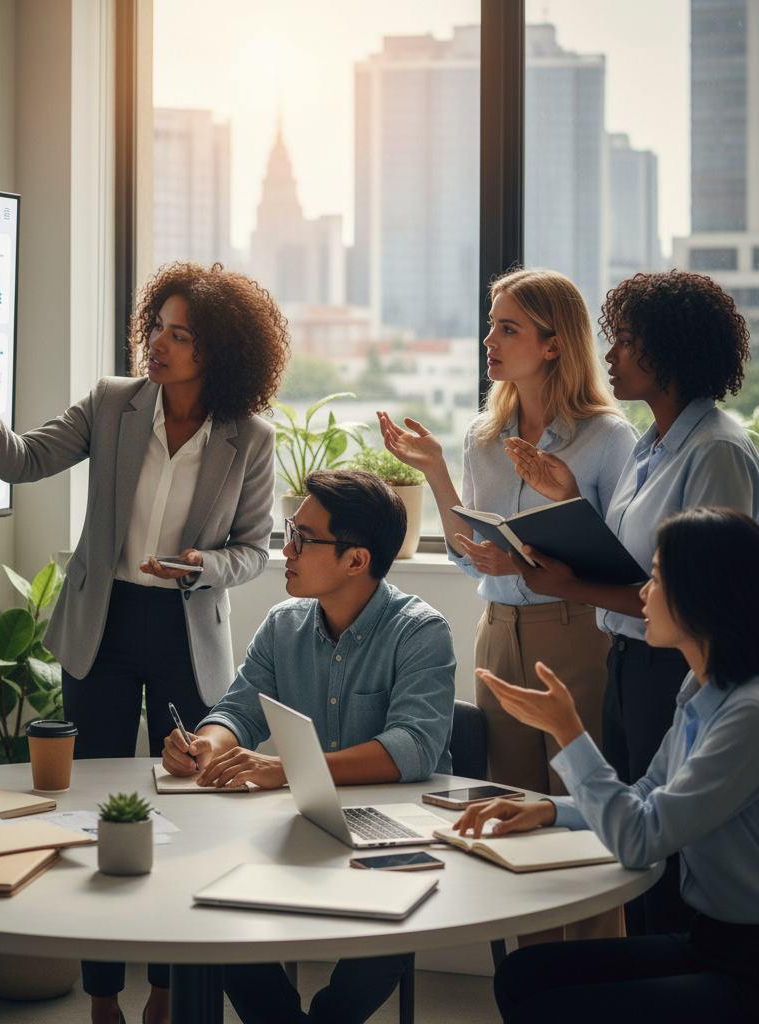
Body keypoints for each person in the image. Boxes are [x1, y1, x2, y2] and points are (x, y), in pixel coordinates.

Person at [0, 261, 289, 1024]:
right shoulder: (113, 402)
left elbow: (256, 551)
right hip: (104, 627)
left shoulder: (250, 439)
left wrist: (201, 566)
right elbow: (25, 459)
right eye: (157, 326)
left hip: (188, 631)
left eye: (180, 335)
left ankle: (169, 986)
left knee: (188, 813)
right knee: (96, 810)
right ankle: (100, 995)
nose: (158, 343)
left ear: (219, 353)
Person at [379, 268, 637, 943]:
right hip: (498, 634)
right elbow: (469, 553)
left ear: (554, 343)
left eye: (508, 328)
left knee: (583, 814)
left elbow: (626, 561)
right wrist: (435, 470)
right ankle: (533, 978)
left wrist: (563, 502)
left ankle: (594, 980)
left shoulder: (608, 438)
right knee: (511, 816)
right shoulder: (481, 437)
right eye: (491, 325)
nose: (488, 340)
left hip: (577, 634)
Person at [503, 270, 759, 936]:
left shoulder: (717, 449)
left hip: (671, 667)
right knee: (632, 856)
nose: (610, 355)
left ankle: (670, 975)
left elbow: (707, 589)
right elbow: (634, 563)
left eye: (625, 340)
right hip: (626, 658)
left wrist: (569, 588)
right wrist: (568, 501)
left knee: (659, 868)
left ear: (669, 350)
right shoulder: (651, 444)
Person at [162, 469, 456, 1024]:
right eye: (289, 531)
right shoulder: (283, 625)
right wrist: (204, 744)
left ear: (356, 560)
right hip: (304, 826)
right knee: (207, 902)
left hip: (396, 836)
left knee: (385, 938)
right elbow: (238, 711)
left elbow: (414, 746)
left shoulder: (421, 632)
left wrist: (288, 768)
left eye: (303, 537)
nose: (286, 549)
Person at [456, 507, 759, 1023]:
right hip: (708, 939)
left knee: (548, 1008)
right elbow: (644, 795)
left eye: (657, 579)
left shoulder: (747, 716)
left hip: (746, 962)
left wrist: (569, 733)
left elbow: (641, 838)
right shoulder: (700, 690)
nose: (643, 593)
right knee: (521, 975)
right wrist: (551, 811)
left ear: (703, 594)